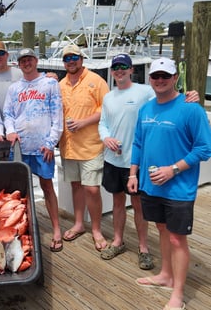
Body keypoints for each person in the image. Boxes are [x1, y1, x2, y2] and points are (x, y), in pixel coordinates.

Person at [98, 53, 200, 268]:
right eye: (115, 67)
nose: (119, 70)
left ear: (131, 69)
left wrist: (190, 95)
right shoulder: (108, 96)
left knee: (138, 205)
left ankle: (143, 247)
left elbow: (169, 99)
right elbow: (103, 123)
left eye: (123, 66)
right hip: (113, 159)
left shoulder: (145, 91)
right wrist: (105, 137)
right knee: (117, 202)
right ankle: (118, 240)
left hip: (136, 164)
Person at [127, 57, 211, 310]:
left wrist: (173, 169)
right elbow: (138, 143)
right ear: (150, 79)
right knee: (161, 229)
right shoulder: (146, 109)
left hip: (179, 187)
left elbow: (204, 149)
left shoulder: (190, 108)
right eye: (156, 76)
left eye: (166, 76)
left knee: (177, 239)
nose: (160, 80)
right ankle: (165, 274)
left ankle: (178, 294)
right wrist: (133, 174)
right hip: (151, 185)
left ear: (175, 78)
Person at [3, 48, 64, 252]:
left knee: (47, 187)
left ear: (36, 61)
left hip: (43, 147)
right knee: (19, 191)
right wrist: (10, 131)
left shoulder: (50, 83)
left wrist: (51, 142)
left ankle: (56, 229)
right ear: (18, 64)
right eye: (22, 60)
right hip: (20, 147)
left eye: (29, 59)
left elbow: (58, 116)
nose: (26, 63)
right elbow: (8, 114)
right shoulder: (14, 88)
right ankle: (21, 228)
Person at [58, 44, 109, 252]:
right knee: (76, 186)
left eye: (74, 57)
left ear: (82, 59)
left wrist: (84, 122)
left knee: (92, 189)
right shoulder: (60, 84)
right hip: (68, 146)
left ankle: (96, 229)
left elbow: (106, 108)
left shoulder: (96, 81)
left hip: (91, 146)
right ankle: (79, 224)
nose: (71, 61)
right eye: (67, 58)